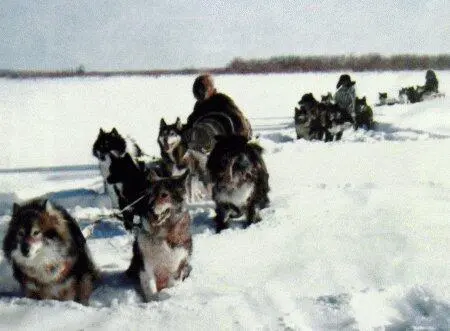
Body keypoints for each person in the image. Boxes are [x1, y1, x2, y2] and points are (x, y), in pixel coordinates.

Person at [184, 74, 252, 152]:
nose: (199, 94)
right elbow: (191, 123)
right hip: (210, 142)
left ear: (210, 89)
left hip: (231, 138)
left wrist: (240, 137)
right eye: (196, 91)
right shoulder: (199, 106)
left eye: (202, 90)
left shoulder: (222, 101)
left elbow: (238, 119)